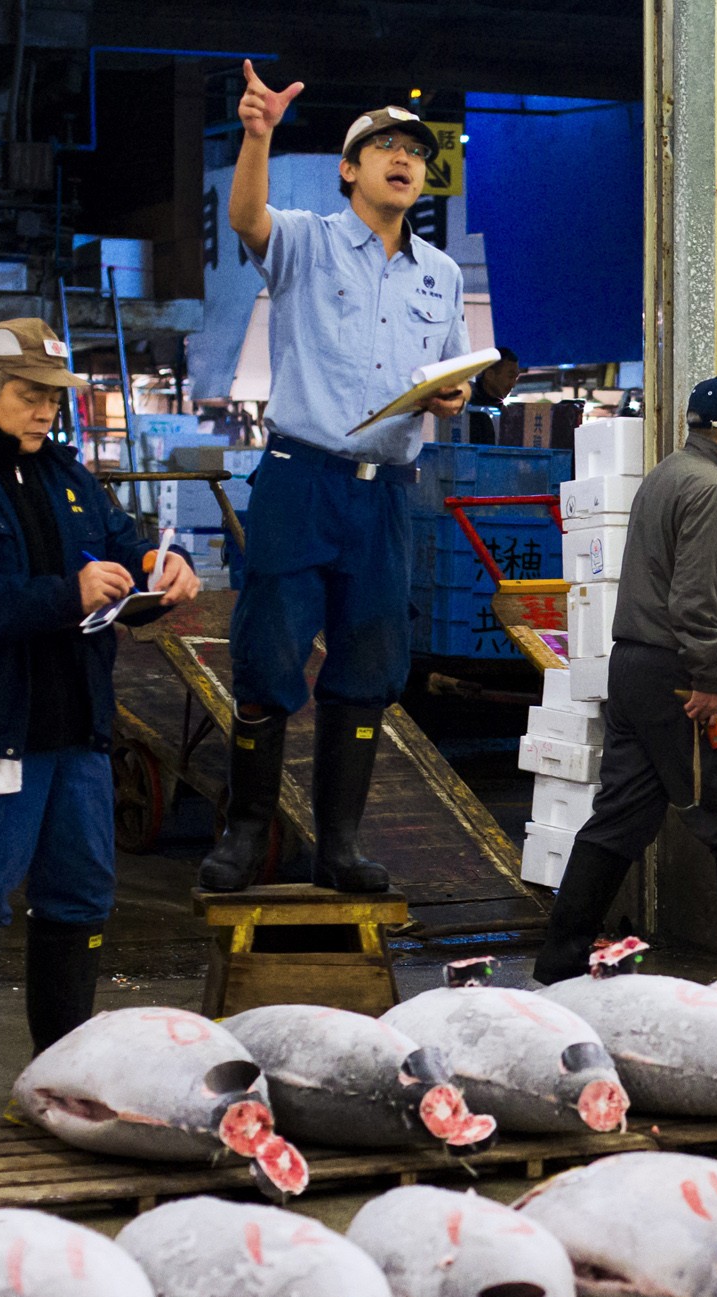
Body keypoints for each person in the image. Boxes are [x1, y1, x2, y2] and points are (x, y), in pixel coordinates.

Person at [0, 319, 202, 1119]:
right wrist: (70, 592)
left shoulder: (68, 475)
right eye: (30, 396)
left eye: (54, 398)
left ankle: (65, 1074)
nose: (46, 414)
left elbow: (123, 555)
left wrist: (158, 579)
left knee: (80, 899)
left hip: (78, 735)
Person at [199, 62, 473, 895]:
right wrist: (258, 135)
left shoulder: (442, 274)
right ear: (349, 169)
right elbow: (248, 218)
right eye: (383, 146)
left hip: (384, 493)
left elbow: (448, 376)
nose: (403, 159)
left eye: (415, 151)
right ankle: (247, 836)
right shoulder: (310, 241)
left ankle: (340, 844)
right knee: (270, 658)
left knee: (370, 666)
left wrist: (451, 395)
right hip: (299, 478)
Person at [536, 376, 717, 981]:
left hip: (638, 670)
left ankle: (560, 961)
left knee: (622, 814)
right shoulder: (711, 490)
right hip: (682, 678)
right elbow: (694, 600)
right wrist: (709, 676)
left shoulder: (668, 475)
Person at [469, 348, 521, 442]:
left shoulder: (508, 413)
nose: (513, 384)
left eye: (516, 378)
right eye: (510, 376)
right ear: (490, 375)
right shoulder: (468, 408)